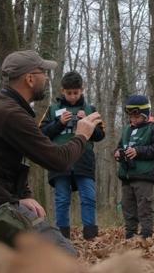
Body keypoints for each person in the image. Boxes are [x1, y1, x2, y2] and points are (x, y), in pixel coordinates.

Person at [0, 50, 102, 255]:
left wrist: (21, 196)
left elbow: (2, 161)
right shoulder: (10, 114)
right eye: (43, 72)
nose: (46, 78)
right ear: (29, 78)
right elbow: (59, 161)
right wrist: (82, 135)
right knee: (65, 256)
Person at [40, 71, 105, 240]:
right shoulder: (53, 109)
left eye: (76, 92)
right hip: (59, 160)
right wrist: (59, 123)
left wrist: (89, 122)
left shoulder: (91, 109)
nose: (72, 96)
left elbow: (100, 136)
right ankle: (62, 237)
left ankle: (90, 236)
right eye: (69, 93)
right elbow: (41, 134)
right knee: (62, 199)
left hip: (84, 161)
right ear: (63, 91)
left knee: (88, 198)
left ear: (82, 90)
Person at [115, 94, 154, 240]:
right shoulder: (127, 130)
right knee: (127, 206)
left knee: (144, 206)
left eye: (137, 116)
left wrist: (138, 151)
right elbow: (119, 146)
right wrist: (117, 153)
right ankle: (130, 234)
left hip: (144, 175)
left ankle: (146, 235)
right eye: (131, 116)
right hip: (126, 175)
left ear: (145, 114)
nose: (133, 119)